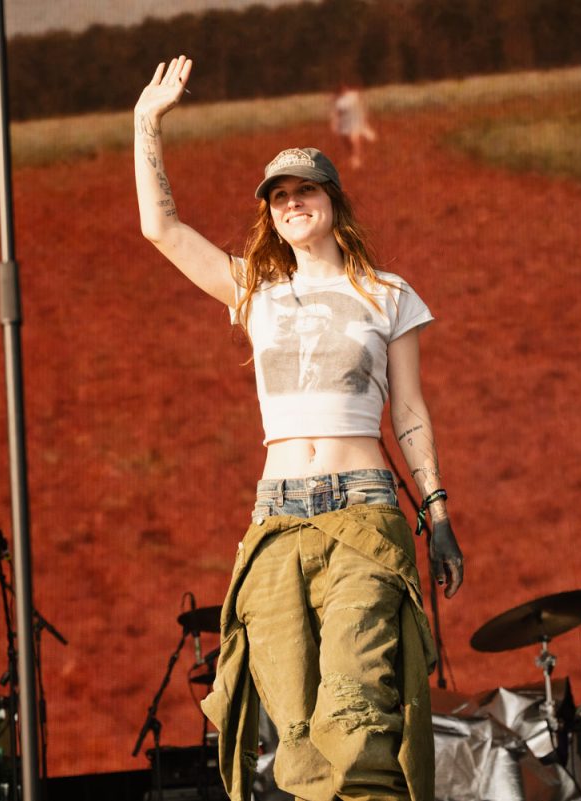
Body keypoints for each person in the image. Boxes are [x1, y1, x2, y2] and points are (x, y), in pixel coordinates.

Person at [134, 56, 463, 801]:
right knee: (299, 737)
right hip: (276, 519)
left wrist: (438, 510)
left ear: (333, 201)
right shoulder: (255, 288)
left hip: (365, 509)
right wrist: (145, 123)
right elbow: (160, 228)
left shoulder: (388, 294)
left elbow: (409, 409)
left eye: (304, 190)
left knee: (359, 716)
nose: (290, 203)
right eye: (278, 196)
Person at [330, 83, 376, 168]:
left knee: (353, 139)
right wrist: (335, 124)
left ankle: (356, 158)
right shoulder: (338, 101)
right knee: (346, 141)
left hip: (355, 121)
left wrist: (363, 118)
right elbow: (336, 114)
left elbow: (360, 104)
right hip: (345, 123)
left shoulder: (353, 96)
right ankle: (353, 154)